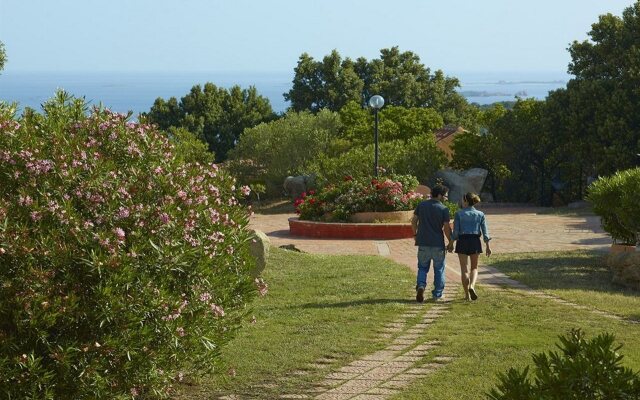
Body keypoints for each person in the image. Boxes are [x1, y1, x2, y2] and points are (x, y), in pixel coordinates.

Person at [411, 184, 453, 303]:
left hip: (423, 243)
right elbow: (446, 228)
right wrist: (450, 241)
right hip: (438, 244)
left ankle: (421, 285)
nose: (446, 198)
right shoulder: (443, 209)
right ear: (439, 195)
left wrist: (415, 235)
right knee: (439, 269)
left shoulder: (422, 205)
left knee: (422, 268)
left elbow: (414, 221)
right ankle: (437, 294)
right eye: (445, 195)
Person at [447, 192, 492, 301]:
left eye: (463, 200)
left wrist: (451, 243)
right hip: (474, 241)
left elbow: (456, 231)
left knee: (464, 268)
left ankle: (467, 295)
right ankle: (472, 286)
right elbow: (485, 231)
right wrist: (488, 246)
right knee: (474, 267)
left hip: (462, 241)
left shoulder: (459, 214)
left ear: (466, 201)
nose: (462, 202)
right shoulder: (480, 214)